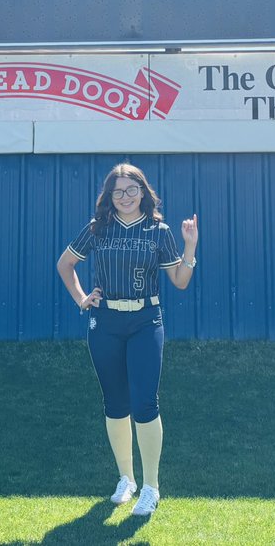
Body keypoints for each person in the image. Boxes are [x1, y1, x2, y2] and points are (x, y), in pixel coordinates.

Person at [55, 163, 198, 517]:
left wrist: (190, 245)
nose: (125, 197)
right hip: (104, 322)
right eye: (118, 191)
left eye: (131, 190)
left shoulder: (159, 230)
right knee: (115, 403)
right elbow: (64, 265)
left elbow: (180, 280)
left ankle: (151, 486)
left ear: (143, 192)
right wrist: (81, 298)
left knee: (145, 403)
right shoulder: (97, 228)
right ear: (109, 196)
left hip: (146, 320)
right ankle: (126, 479)